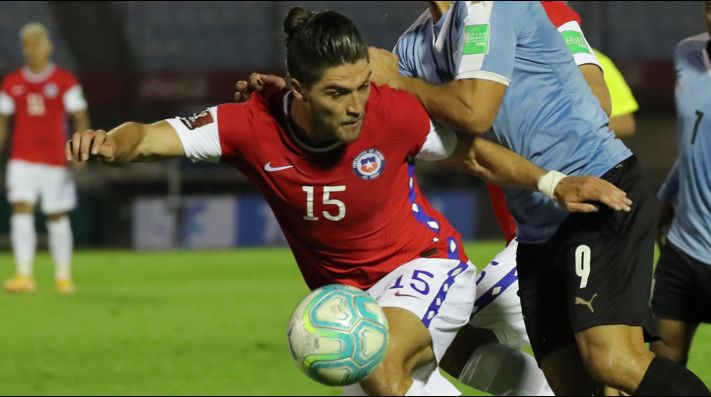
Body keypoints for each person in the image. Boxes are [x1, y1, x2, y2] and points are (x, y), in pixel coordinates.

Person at [69, 7, 630, 396]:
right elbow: (147, 137)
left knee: (382, 367)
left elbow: (476, 155)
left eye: (362, 85)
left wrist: (553, 183)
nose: (357, 105)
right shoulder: (247, 126)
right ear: (296, 87)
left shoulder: (392, 112)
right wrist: (109, 145)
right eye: (337, 93)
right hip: (352, 296)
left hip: (427, 265)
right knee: (454, 357)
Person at [368, 1, 710, 395]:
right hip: (534, 228)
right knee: (570, 385)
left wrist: (402, 84)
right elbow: (390, 109)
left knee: (613, 361)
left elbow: (474, 113)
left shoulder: (497, 6)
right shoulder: (412, 47)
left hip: (597, 191)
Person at [0, 22, 90, 294]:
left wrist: (81, 148)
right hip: (22, 158)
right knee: (21, 209)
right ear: (24, 48)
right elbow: (2, 122)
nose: (33, 48)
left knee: (57, 215)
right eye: (28, 43)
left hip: (54, 159)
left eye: (38, 42)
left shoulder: (65, 81)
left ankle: (63, 276)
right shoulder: (12, 82)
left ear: (48, 46)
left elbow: (80, 116)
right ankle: (24, 274)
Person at [651, 1, 711, 369]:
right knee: (663, 368)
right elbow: (694, 142)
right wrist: (666, 197)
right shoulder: (686, 53)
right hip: (683, 247)